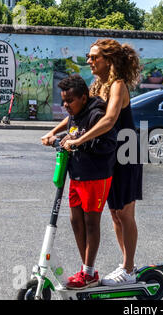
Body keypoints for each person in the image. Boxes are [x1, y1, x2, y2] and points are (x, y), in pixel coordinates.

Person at [59, 39, 142, 286]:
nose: (89, 61)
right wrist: (54, 132)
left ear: (109, 60)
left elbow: (108, 120)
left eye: (94, 57)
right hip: (109, 153)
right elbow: (79, 115)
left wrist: (79, 140)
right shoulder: (97, 85)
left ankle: (129, 268)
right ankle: (126, 265)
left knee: (124, 212)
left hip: (127, 151)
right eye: (89, 56)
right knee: (114, 213)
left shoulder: (118, 85)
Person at [41, 74, 117, 289]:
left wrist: (76, 144)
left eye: (69, 101)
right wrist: (58, 137)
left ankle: (89, 272)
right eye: (63, 101)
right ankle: (86, 269)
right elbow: (74, 133)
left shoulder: (97, 113)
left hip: (96, 176)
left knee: (91, 223)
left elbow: (107, 144)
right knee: (76, 221)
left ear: (83, 98)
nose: (66, 105)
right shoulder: (75, 113)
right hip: (77, 174)